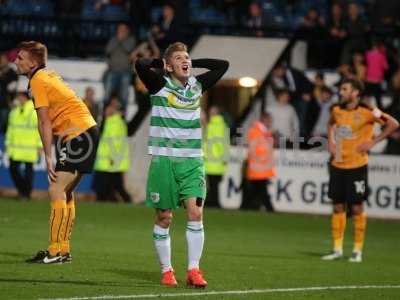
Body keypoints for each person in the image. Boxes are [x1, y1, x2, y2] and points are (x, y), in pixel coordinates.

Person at [135, 42, 228, 287]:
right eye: (179, 58)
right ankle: (167, 271)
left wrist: (190, 63)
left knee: (196, 213)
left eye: (187, 57)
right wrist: (163, 65)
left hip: (192, 161)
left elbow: (222, 66)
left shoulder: (197, 86)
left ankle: (193, 271)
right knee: (165, 217)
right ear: (168, 65)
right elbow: (140, 64)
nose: (185, 60)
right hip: (164, 161)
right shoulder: (159, 85)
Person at [14, 41, 98, 264]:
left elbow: (44, 121)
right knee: (65, 191)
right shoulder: (46, 75)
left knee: (55, 188)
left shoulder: (38, 80)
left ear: (33, 63)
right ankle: (62, 250)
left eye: (20, 58)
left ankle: (54, 252)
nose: (16, 61)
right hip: (81, 132)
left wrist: (48, 156)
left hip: (78, 134)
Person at [322, 78, 398, 263]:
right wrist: (331, 141)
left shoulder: (368, 110)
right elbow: (330, 123)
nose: (341, 92)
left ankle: (357, 251)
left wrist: (374, 141)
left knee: (356, 206)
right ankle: (337, 249)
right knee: (338, 205)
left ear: (355, 92)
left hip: (357, 165)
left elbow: (393, 123)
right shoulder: (336, 110)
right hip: (338, 164)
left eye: (345, 89)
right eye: (341, 89)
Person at [93, 96, 131, 203]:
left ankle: (126, 201)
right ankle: (121, 201)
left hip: (110, 160)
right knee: (111, 186)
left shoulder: (115, 122)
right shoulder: (110, 121)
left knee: (111, 186)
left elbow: (114, 142)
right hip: (106, 161)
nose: (108, 109)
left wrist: (112, 157)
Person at [5, 92, 42, 199]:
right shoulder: (14, 112)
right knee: (13, 170)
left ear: (26, 98)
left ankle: (25, 193)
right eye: (18, 97)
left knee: (28, 171)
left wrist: (40, 145)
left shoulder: (34, 112)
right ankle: (23, 190)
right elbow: (10, 130)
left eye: (21, 97)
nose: (19, 99)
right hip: (16, 148)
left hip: (30, 148)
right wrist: (8, 144)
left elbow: (39, 130)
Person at [242, 112, 275, 211]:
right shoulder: (257, 132)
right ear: (265, 120)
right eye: (269, 121)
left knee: (255, 190)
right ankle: (269, 209)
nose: (271, 123)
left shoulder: (263, 132)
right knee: (261, 189)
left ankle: (247, 207)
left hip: (260, 167)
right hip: (258, 166)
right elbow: (255, 148)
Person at [104, 23, 136, 111]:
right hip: (112, 70)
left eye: (123, 29)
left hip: (125, 72)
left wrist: (121, 40)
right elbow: (108, 50)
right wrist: (117, 40)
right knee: (107, 95)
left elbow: (128, 49)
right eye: (119, 29)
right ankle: (105, 117)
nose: (120, 31)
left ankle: (122, 118)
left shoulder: (131, 40)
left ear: (127, 31)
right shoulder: (113, 39)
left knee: (124, 97)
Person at [203, 105, 229, 208]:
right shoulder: (224, 126)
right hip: (219, 161)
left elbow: (206, 143)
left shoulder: (210, 126)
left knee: (212, 185)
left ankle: (214, 203)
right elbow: (226, 143)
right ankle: (214, 202)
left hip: (210, 161)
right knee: (215, 185)